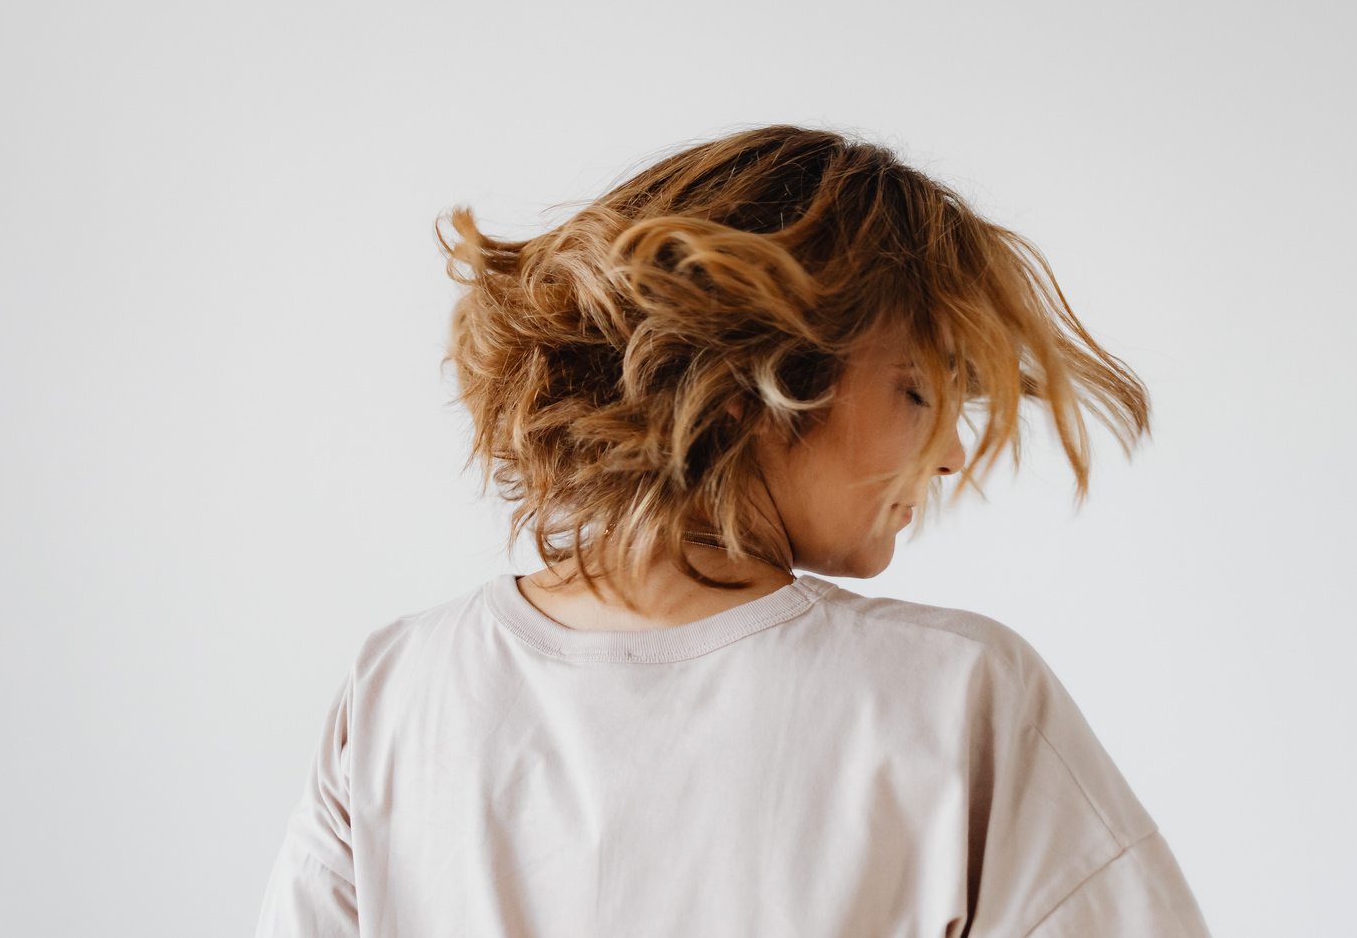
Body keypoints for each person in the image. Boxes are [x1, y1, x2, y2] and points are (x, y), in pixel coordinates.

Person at [258, 126, 1209, 937]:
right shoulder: (954, 696)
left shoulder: (397, 692)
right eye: (920, 386)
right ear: (763, 379)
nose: (952, 451)